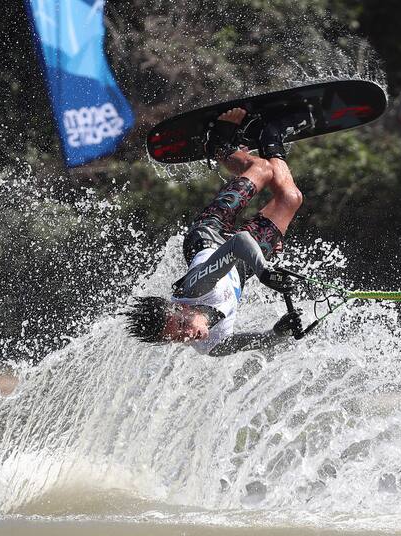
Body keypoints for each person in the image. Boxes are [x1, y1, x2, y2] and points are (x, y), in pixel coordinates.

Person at [125, 108, 305, 356]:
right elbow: (255, 342)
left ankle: (219, 146)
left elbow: (238, 243)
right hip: (241, 267)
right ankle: (271, 136)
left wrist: (264, 272)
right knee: (290, 198)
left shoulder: (196, 288)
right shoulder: (208, 345)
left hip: (209, 233)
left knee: (261, 169)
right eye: (178, 339)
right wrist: (278, 334)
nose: (187, 336)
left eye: (181, 326)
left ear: (181, 307)